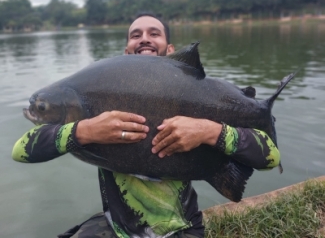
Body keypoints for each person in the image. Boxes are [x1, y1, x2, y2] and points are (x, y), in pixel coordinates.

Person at [12, 13, 280, 238]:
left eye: (154, 33)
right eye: (135, 34)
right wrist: (86, 130)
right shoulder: (99, 86)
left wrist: (210, 131)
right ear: (127, 51)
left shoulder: (199, 92)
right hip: (118, 228)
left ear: (171, 50)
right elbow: (21, 151)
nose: (144, 39)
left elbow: (270, 158)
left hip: (181, 230)